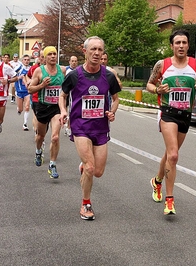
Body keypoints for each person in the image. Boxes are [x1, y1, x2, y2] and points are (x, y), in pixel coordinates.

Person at [146, 29, 196, 215]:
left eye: (184, 43)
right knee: (173, 155)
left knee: (169, 154)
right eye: (177, 43)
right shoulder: (163, 64)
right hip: (168, 113)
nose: (181, 46)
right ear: (172, 46)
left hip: (185, 114)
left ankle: (157, 181)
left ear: (188, 45)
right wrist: (158, 89)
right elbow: (149, 85)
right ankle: (170, 199)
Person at [59, 36, 121, 220]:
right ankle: (86, 203)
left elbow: (116, 99)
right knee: (90, 167)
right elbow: (63, 96)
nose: (96, 53)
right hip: (80, 126)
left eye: (99, 50)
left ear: (103, 53)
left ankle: (84, 166)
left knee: (98, 171)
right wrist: (63, 111)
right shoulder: (74, 75)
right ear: (84, 51)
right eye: (93, 49)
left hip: (101, 127)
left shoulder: (108, 75)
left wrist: (112, 111)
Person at [28, 46, 66, 179]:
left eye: (54, 54)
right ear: (45, 57)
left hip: (56, 108)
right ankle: (38, 151)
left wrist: (64, 108)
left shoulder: (62, 70)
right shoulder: (39, 71)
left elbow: (65, 89)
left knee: (55, 137)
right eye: (49, 54)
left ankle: (52, 164)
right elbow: (30, 89)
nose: (53, 56)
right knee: (40, 137)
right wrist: (42, 85)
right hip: (43, 107)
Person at [14, 54, 31, 130]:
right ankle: (19, 109)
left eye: (28, 60)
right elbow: (12, 75)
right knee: (21, 109)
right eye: (25, 60)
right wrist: (18, 77)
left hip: (27, 91)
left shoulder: (31, 69)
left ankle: (25, 124)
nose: (27, 61)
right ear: (22, 61)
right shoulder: (19, 68)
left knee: (27, 107)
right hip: (19, 90)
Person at [64, 55, 79, 136]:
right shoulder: (66, 70)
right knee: (66, 110)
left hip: (75, 93)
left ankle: (69, 127)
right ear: (69, 62)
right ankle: (66, 124)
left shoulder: (79, 71)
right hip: (66, 93)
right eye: (72, 61)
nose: (74, 63)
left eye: (75, 61)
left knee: (72, 110)